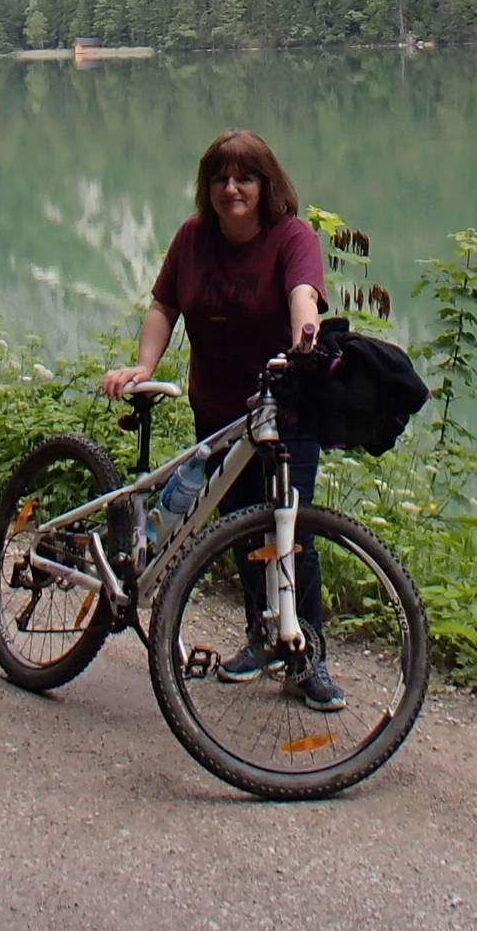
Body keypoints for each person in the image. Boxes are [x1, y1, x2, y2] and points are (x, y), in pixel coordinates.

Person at [99, 128, 341, 711]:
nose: (232, 188)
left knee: (290, 531)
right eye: (220, 178)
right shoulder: (192, 238)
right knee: (237, 525)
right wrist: (144, 364)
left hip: (284, 409)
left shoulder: (291, 236)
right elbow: (164, 305)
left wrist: (303, 342)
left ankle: (307, 655)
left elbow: (303, 295)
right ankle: (262, 636)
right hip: (217, 409)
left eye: (246, 178)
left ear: (267, 185)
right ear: (207, 188)